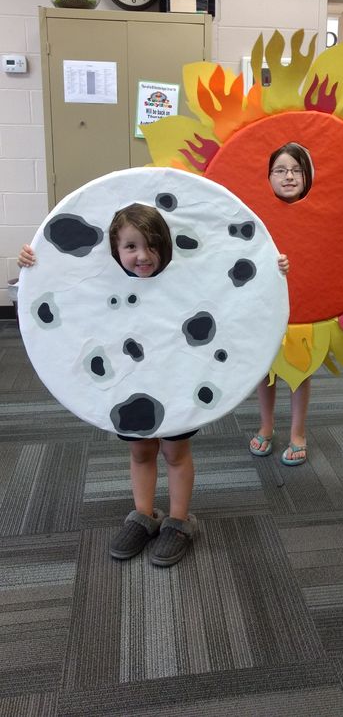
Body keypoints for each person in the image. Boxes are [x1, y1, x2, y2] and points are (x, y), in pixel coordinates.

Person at [19, 202, 290, 563]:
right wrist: (37, 263)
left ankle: (179, 521)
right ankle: (143, 515)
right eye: (131, 247)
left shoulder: (184, 279)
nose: (143, 256)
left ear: (165, 245)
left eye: (152, 245)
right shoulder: (100, 285)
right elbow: (63, 292)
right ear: (114, 249)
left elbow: (228, 282)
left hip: (177, 380)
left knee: (175, 453)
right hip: (129, 385)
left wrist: (273, 267)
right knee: (141, 450)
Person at [249, 142, 313, 467]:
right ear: (269, 176)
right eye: (280, 170)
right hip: (265, 305)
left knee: (300, 369)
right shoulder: (256, 212)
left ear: (306, 176)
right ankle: (267, 424)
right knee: (266, 369)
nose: (289, 177)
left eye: (296, 170)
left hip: (304, 306)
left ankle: (298, 433)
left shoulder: (316, 214)